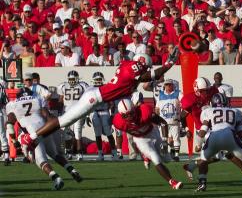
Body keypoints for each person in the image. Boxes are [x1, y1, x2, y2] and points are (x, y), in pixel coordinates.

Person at [24, 49, 179, 147]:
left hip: (97, 96)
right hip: (95, 98)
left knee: (65, 122)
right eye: (147, 65)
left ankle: (34, 139)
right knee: (64, 121)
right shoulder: (134, 66)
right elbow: (149, 75)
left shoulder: (131, 71)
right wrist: (168, 64)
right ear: (142, 62)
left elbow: (142, 79)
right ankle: (30, 137)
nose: (148, 68)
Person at [6, 88, 83, 190]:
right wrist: (52, 129)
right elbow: (48, 116)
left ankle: (57, 179)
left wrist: (14, 140)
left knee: (40, 160)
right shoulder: (37, 98)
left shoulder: (12, 104)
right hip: (44, 129)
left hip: (31, 134)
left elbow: (10, 125)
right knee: (54, 154)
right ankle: (72, 170)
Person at [195, 93, 242, 192]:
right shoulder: (235, 111)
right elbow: (240, 133)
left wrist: (198, 145)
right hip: (229, 135)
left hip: (214, 136)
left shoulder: (208, 111)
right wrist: (236, 147)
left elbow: (203, 131)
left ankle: (202, 183)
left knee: (203, 159)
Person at [113, 98, 183, 190]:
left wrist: (165, 142)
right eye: (126, 115)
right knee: (156, 159)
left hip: (152, 133)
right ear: (121, 115)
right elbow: (118, 135)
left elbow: (163, 123)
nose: (130, 117)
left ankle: (146, 156)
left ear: (135, 109)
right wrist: (119, 150)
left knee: (166, 159)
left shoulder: (144, 111)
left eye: (131, 113)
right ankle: (172, 182)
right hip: (140, 139)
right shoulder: (118, 122)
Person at [57, 70, 89, 161]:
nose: (72, 81)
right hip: (67, 112)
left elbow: (86, 99)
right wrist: (59, 112)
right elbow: (60, 100)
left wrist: (86, 113)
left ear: (77, 78)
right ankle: (68, 152)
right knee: (67, 133)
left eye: (73, 79)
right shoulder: (63, 86)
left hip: (78, 111)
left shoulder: (82, 85)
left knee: (77, 132)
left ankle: (79, 153)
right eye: (70, 79)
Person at [87, 72, 118, 161]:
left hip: (105, 112)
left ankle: (114, 153)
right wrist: (87, 116)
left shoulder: (106, 87)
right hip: (94, 112)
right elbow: (87, 104)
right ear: (93, 80)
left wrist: (112, 115)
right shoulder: (90, 89)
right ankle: (100, 153)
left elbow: (112, 103)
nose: (98, 81)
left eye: (100, 79)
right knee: (97, 134)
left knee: (108, 133)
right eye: (97, 79)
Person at [155, 79, 182, 162]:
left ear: (173, 85)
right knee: (166, 140)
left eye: (170, 85)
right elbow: (157, 108)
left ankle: (176, 156)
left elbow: (184, 103)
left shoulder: (178, 93)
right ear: (164, 86)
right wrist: (157, 119)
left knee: (176, 138)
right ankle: (171, 152)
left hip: (174, 120)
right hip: (164, 122)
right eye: (167, 85)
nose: (168, 86)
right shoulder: (160, 95)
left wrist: (181, 116)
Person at [0, 78, 10, 165]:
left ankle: (6, 156)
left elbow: (4, 101)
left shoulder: (1, 83)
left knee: (2, 134)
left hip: (0, 112)